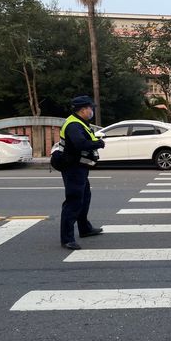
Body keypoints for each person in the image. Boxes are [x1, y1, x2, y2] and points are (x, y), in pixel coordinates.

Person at [58, 96, 105, 249]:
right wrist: (98, 143)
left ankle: (85, 228)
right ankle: (67, 238)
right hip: (73, 168)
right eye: (91, 108)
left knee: (84, 198)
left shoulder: (79, 123)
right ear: (83, 109)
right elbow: (80, 144)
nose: (92, 111)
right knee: (73, 202)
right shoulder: (73, 125)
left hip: (80, 167)